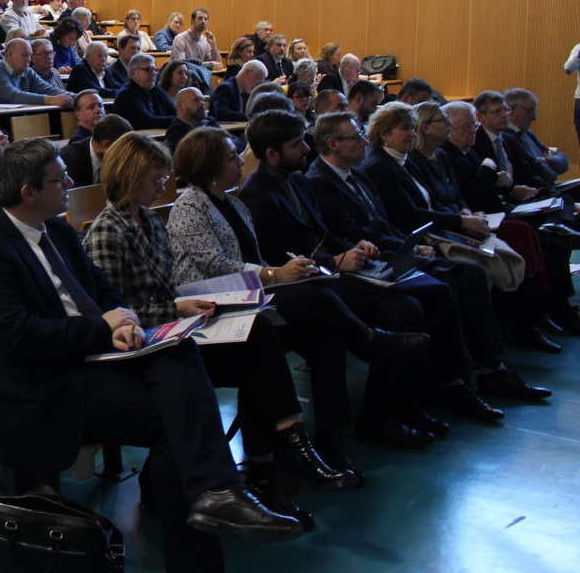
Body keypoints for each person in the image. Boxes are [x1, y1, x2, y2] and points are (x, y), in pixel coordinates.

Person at [0, 138, 302, 570]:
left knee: (178, 351)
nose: (69, 182)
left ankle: (217, 493)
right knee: (174, 425)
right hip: (40, 385)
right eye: (57, 179)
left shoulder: (58, 231)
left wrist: (124, 322)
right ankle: (211, 512)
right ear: (28, 192)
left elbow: (103, 290)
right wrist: (101, 330)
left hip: (89, 359)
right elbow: (21, 338)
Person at [86, 133, 355, 527]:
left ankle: (274, 460)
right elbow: (115, 310)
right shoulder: (109, 230)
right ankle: (281, 457)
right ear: (129, 177)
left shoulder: (148, 220)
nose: (164, 185)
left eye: (164, 177)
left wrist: (187, 304)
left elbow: (167, 287)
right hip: (144, 347)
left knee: (257, 338)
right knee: (258, 351)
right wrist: (175, 306)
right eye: (156, 178)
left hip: (174, 327)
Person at [173, 123, 439, 473]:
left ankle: (331, 438)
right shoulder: (190, 205)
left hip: (249, 297)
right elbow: (216, 266)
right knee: (314, 295)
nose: (240, 160)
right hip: (214, 306)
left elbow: (252, 260)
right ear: (208, 165)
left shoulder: (233, 204)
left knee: (324, 333)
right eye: (230, 156)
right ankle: (370, 340)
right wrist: (276, 274)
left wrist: (284, 271)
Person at [305, 111, 536, 422]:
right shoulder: (321, 181)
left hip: (390, 250)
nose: (363, 141)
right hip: (363, 263)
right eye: (354, 137)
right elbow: (349, 233)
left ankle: (477, 371)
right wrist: (405, 245)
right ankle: (450, 382)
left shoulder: (354, 173)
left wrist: (408, 243)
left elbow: (382, 220)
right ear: (332, 144)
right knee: (444, 287)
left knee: (467, 274)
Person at [409, 100, 558, 353]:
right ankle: (510, 332)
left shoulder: (441, 156)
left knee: (516, 243)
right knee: (499, 252)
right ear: (425, 127)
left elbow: (456, 195)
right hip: (443, 231)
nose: (470, 132)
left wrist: (467, 211)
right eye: (446, 123)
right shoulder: (416, 161)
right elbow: (423, 209)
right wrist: (465, 216)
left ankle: (533, 315)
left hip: (465, 219)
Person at [0, 38, 72, 106]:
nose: (29, 59)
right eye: (25, 55)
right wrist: (49, 100)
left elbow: (48, 89)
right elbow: (14, 96)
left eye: (30, 55)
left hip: (22, 121)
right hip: (0, 126)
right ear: (10, 55)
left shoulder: (28, 71)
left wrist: (80, 97)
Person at [62, 114, 131, 188]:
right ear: (107, 145)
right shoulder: (69, 158)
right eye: (123, 149)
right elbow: (75, 196)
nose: (126, 154)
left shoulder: (119, 160)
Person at [111, 54, 177, 129]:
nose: (153, 73)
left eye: (154, 70)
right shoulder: (126, 95)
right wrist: (179, 120)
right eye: (148, 70)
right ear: (133, 73)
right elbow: (146, 122)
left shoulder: (156, 90)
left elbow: (174, 111)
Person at [164, 85, 222, 151]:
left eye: (202, 100)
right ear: (180, 105)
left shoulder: (210, 122)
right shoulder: (176, 133)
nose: (202, 103)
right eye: (196, 100)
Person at [171, 8, 221, 73]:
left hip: (201, 79)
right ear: (192, 21)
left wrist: (213, 46)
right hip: (184, 79)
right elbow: (181, 65)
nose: (203, 21)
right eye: (200, 18)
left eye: (205, 19)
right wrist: (207, 65)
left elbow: (217, 65)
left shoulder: (206, 41)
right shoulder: (180, 39)